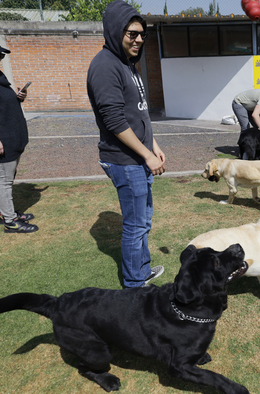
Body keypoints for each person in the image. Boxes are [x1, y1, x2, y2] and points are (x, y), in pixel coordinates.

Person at [87, 0, 166, 288]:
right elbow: (114, 120)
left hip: (139, 157)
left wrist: (153, 144)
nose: (139, 39)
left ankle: (141, 271)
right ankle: (135, 285)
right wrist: (146, 154)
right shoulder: (105, 66)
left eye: (142, 34)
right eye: (132, 33)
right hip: (125, 160)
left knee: (143, 221)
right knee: (135, 225)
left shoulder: (127, 64)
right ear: (115, 31)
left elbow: (139, 112)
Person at [0, 35, 38, 233]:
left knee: (9, 177)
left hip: (11, 138)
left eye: (0, 56)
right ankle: (11, 222)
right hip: (0, 141)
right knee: (3, 181)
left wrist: (17, 97)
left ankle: (5, 212)